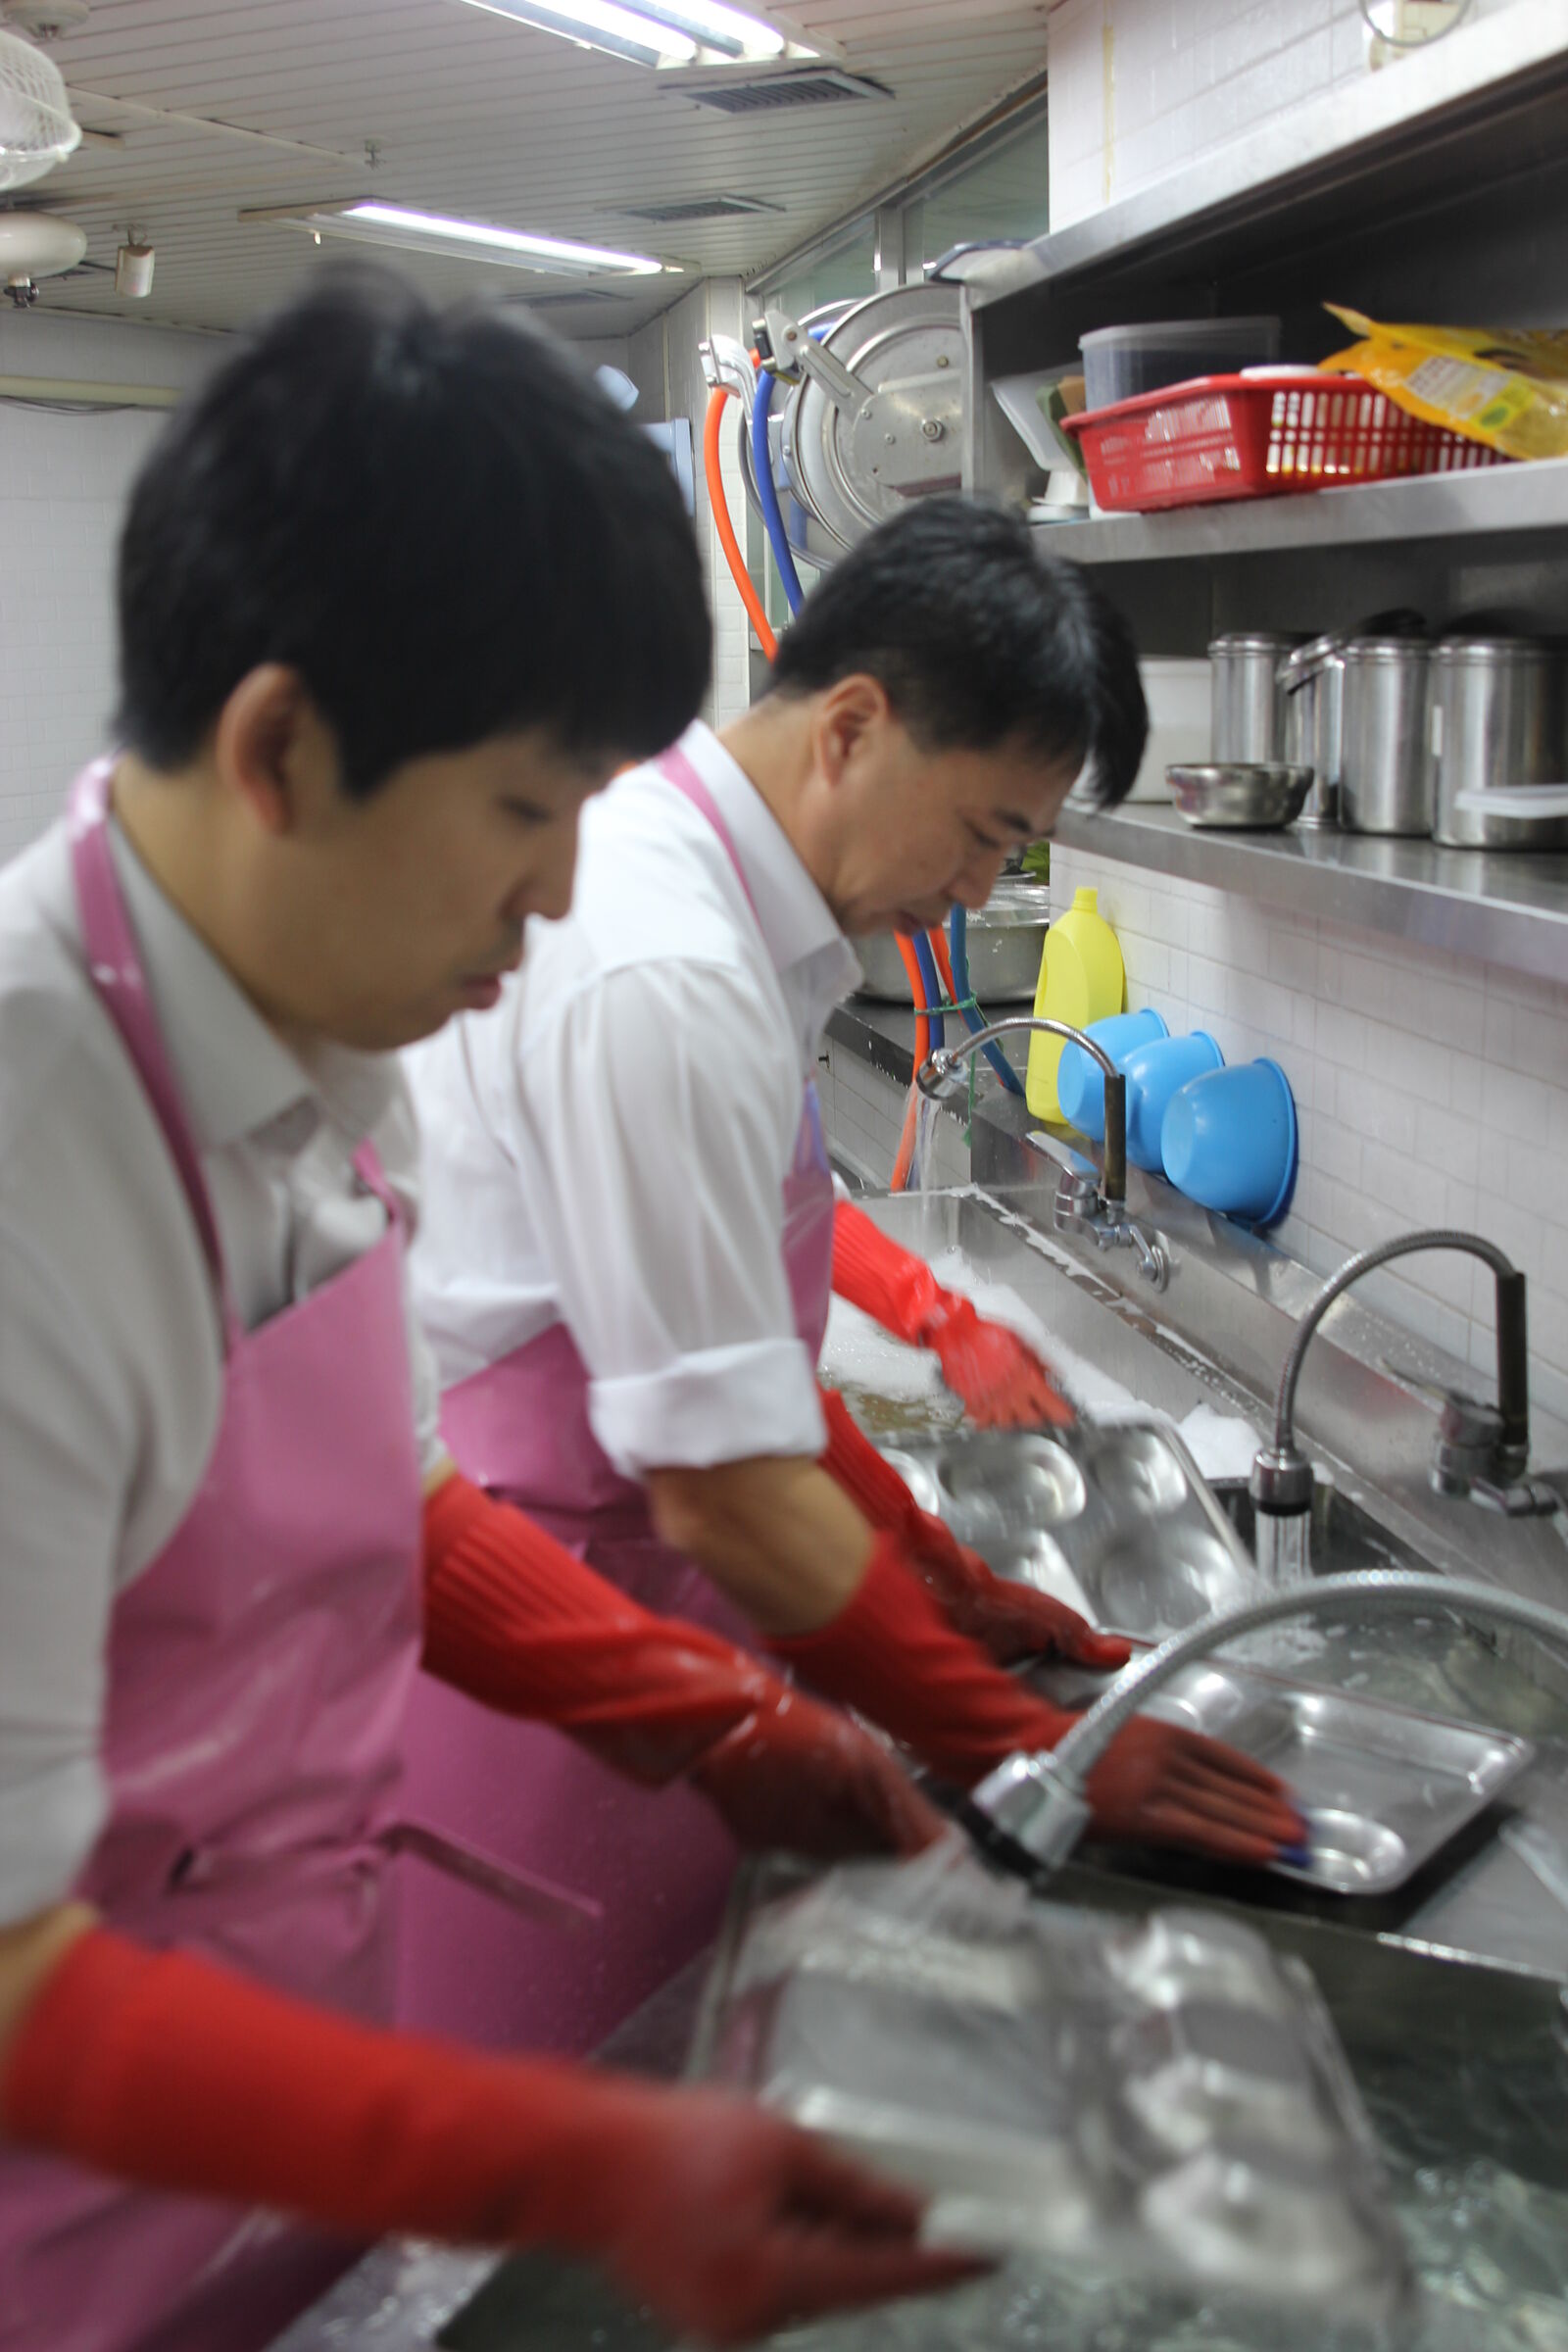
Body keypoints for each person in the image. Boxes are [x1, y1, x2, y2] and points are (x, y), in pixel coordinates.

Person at [0, 271, 978, 2352]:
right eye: (527, 813)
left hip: (278, 2138)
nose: (554, 899)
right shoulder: (29, 1159)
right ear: (281, 751)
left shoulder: (318, 1041)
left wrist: (715, 1718)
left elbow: (406, 1500)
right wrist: (567, 2164)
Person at [406, 499, 1307, 2046]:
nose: (978, 892)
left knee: (698, 2082)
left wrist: (942, 1580)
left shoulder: (744, 929)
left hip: (670, 1624)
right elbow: (721, 1479)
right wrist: (1018, 1740)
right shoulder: (661, 964)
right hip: (547, 1686)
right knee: (560, 2119)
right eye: (988, 835)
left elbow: (738, 1371)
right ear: (852, 729)